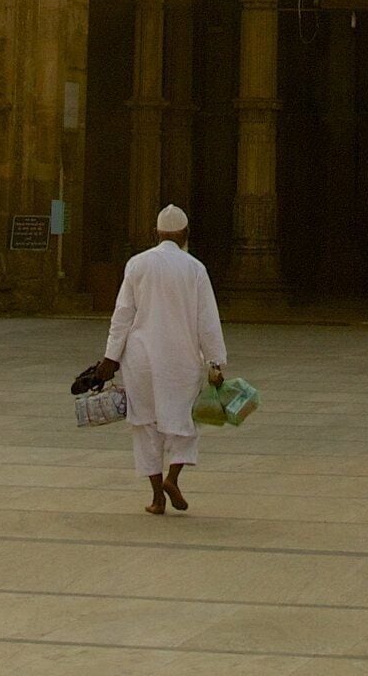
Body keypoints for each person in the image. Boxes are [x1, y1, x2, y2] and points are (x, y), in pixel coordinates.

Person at [98, 204, 229, 515]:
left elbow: (123, 315)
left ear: (156, 233)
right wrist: (215, 361)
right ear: (185, 234)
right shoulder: (194, 268)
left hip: (140, 358)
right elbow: (207, 320)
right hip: (181, 359)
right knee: (184, 422)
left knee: (145, 424)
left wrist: (110, 357)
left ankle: (157, 497)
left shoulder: (136, 264)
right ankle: (173, 478)